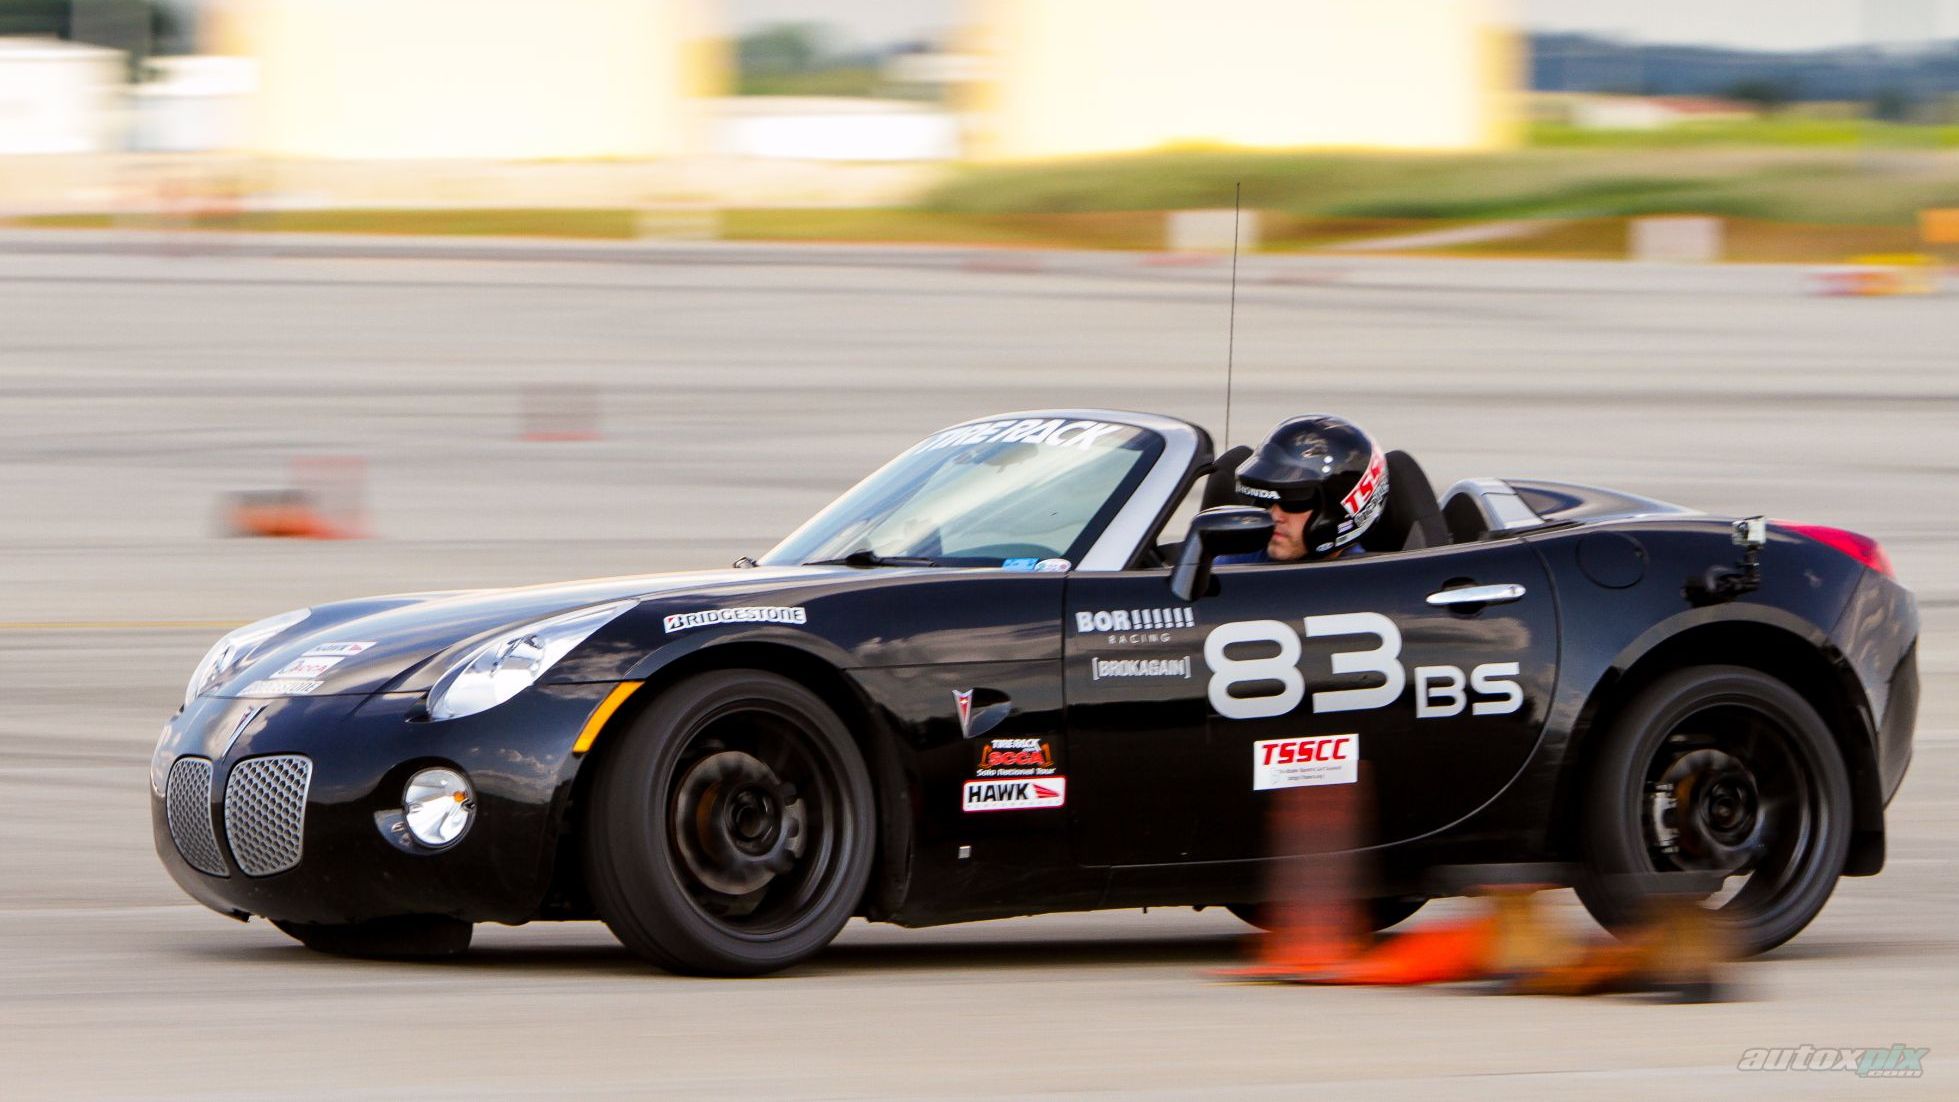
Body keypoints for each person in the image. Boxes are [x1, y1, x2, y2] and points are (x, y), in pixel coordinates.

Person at [1218, 414, 1389, 564]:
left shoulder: (1365, 584)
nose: (1274, 516)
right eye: (1267, 501)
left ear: (1342, 509)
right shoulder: (1243, 560)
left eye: (1294, 501)